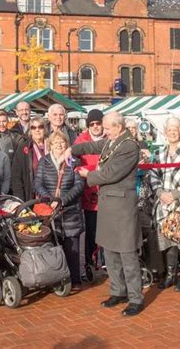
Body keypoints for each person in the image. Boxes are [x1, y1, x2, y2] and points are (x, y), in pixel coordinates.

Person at [66, 112, 143, 316]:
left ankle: (136, 297)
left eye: (108, 128)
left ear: (118, 127)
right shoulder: (112, 141)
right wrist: (71, 149)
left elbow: (111, 174)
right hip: (108, 205)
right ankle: (118, 291)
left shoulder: (128, 146)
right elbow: (92, 146)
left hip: (122, 207)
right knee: (110, 250)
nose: (105, 132)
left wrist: (88, 175)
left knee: (127, 253)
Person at [149, 117, 180, 292]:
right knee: (168, 238)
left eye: (176, 129)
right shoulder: (159, 153)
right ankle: (171, 274)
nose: (172, 132)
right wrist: (160, 193)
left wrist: (174, 195)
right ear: (164, 132)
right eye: (169, 129)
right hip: (163, 202)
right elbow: (153, 175)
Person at [34, 131, 84, 288]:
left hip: (70, 210)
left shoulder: (73, 161)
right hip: (50, 212)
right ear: (51, 145)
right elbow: (38, 183)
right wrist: (50, 200)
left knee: (72, 247)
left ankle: (75, 279)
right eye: (56, 143)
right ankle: (56, 279)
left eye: (62, 143)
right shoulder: (44, 161)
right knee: (54, 246)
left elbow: (79, 185)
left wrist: (62, 200)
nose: (59, 146)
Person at [74, 109, 104, 269]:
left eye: (98, 123)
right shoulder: (81, 140)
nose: (95, 126)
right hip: (89, 193)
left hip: (108, 191)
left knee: (108, 230)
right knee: (91, 230)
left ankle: (106, 263)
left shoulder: (110, 138)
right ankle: (90, 263)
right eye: (91, 124)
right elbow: (75, 164)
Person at [11, 116, 48, 201]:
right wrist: (20, 199)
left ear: (45, 129)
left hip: (51, 193)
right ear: (30, 130)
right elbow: (16, 175)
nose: (37, 130)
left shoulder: (52, 145)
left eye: (40, 127)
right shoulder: (24, 147)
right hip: (32, 195)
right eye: (33, 127)